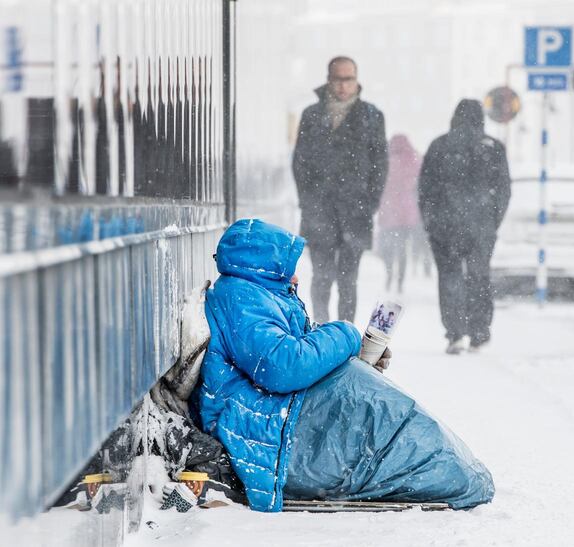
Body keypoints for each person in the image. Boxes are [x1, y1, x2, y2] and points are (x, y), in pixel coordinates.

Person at [192, 219, 494, 512]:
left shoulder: (256, 294)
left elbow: (292, 348)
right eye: (287, 269)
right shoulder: (242, 298)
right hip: (265, 422)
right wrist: (346, 334)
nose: (295, 278)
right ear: (262, 267)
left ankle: (445, 470)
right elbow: (282, 367)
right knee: (377, 414)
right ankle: (447, 475)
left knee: (376, 406)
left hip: (275, 409)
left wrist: (354, 357)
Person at [292, 56, 388, 323]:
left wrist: (370, 204)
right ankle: (321, 329)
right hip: (319, 211)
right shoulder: (312, 116)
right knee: (321, 278)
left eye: (349, 79)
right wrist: (308, 201)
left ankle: (344, 334)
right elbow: (300, 163)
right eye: (339, 79)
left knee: (348, 281)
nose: (344, 85)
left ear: (357, 80)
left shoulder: (371, 116)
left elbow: (380, 165)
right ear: (329, 80)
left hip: (356, 211)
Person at [418, 99, 511, 355]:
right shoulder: (493, 148)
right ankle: (479, 332)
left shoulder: (439, 146)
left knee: (449, 277)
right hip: (481, 227)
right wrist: (492, 222)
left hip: (445, 226)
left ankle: (455, 333)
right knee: (479, 276)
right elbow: (503, 191)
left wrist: (430, 221)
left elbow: (425, 189)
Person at [376, 134, 422, 293]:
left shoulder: (385, 161)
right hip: (407, 215)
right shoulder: (414, 160)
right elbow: (419, 184)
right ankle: (400, 281)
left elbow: (378, 183)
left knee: (387, 248)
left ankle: (389, 273)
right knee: (402, 249)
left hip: (388, 212)